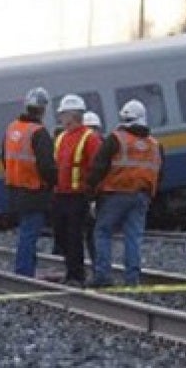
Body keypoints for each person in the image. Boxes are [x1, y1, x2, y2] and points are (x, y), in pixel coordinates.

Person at [87, 99, 164, 287]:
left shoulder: (116, 139)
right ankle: (132, 279)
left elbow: (98, 167)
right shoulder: (154, 145)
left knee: (103, 232)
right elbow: (160, 173)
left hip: (115, 194)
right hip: (141, 196)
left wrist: (90, 195)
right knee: (133, 236)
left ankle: (103, 276)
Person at [2, 86, 57, 277]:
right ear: (43, 109)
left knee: (26, 231)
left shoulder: (12, 128)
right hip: (34, 191)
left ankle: (27, 268)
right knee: (29, 233)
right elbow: (47, 166)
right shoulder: (39, 133)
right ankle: (24, 271)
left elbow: (4, 157)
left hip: (14, 190)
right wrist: (52, 184)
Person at [51, 95, 102, 287]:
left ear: (73, 115)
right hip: (60, 194)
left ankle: (76, 275)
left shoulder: (89, 138)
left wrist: (91, 193)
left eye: (63, 114)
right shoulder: (61, 138)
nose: (61, 118)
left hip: (77, 196)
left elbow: (96, 167)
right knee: (62, 236)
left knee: (74, 236)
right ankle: (70, 270)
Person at [82, 111, 103, 266]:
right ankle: (100, 265)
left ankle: (99, 265)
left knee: (95, 233)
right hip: (93, 195)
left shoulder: (104, 147)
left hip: (97, 195)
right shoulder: (106, 145)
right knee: (95, 232)